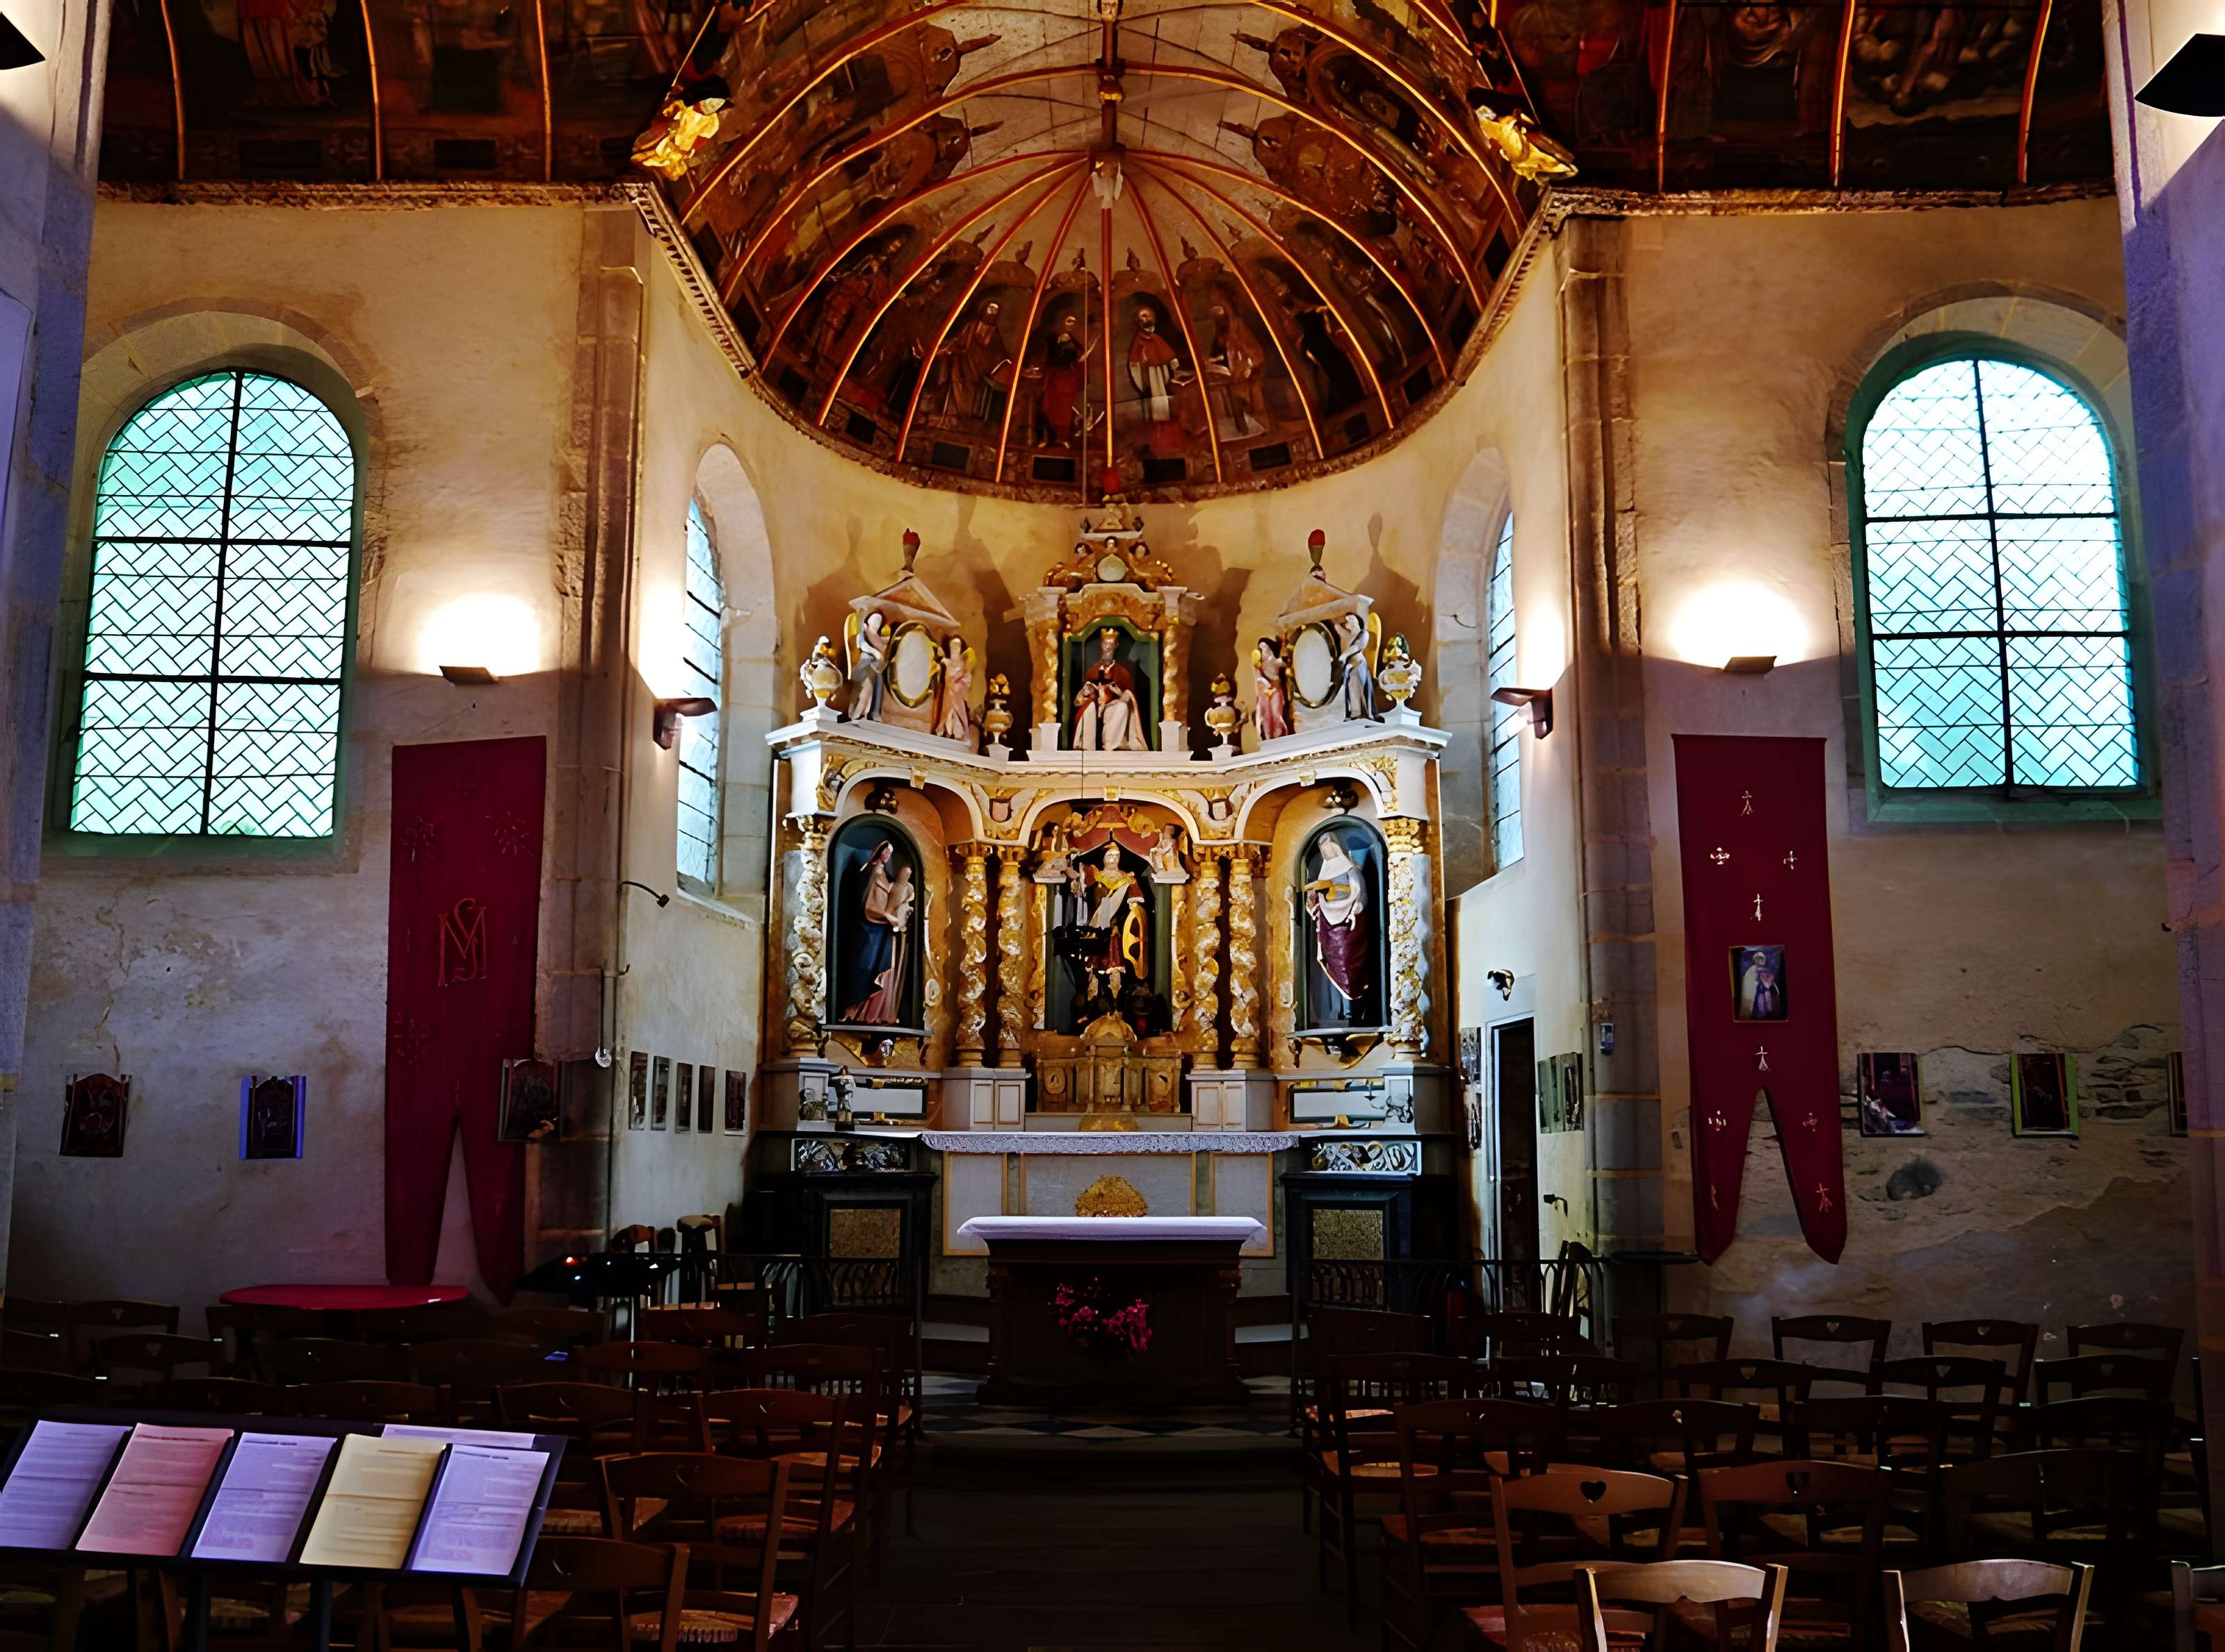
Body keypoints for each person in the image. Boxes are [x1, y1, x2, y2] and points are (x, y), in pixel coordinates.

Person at [839, 842, 914, 1023]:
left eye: (890, 853)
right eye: (886, 853)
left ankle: (876, 1015)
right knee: (865, 967)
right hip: (869, 932)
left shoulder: (882, 873)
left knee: (885, 969)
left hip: (882, 931)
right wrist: (888, 915)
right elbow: (870, 906)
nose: (887, 856)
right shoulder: (871, 873)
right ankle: (857, 1012)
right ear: (879, 853)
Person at [1306, 833, 1372, 1024]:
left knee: (1349, 968)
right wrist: (1314, 901)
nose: (1326, 852)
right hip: (1329, 930)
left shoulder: (1350, 870)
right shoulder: (1324, 873)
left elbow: (1359, 893)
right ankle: (1340, 1012)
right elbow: (1317, 904)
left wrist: (1355, 908)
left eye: (1329, 848)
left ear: (1336, 847)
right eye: (1323, 850)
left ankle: (1355, 1012)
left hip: (1348, 929)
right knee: (1332, 967)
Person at [1077, 627, 1149, 750]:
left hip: (1112, 708)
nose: (1108, 648)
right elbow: (1085, 692)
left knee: (1122, 707)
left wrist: (1119, 692)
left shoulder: (1123, 672)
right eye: (1106, 644)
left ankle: (1109, 744)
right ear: (1101, 645)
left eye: (1111, 644)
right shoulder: (1093, 671)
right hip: (1096, 706)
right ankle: (1087, 745)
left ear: (1116, 645)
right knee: (1088, 709)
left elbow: (1129, 697)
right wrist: (1091, 692)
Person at [847, 610, 890, 722]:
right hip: (866, 664)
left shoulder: (880, 638)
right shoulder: (864, 633)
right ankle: (858, 713)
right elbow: (863, 646)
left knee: (879, 689)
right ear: (869, 621)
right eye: (875, 619)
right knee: (867, 687)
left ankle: (873, 713)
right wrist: (877, 653)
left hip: (877, 667)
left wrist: (886, 644)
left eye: (879, 620)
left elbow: (885, 651)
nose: (877, 622)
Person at [933, 635, 975, 744]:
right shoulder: (948, 662)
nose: (954, 649)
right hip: (948, 694)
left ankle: (962, 734)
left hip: (957, 695)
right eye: (952, 646)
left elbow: (967, 679)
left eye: (957, 646)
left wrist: (958, 685)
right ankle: (944, 731)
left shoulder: (964, 664)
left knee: (959, 712)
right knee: (945, 712)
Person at [1337, 612, 1377, 720]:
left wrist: (1344, 655)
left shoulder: (1364, 634)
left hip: (1359, 664)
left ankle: (1366, 713)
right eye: (1347, 620)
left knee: (1361, 688)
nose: (1348, 622)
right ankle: (1355, 713)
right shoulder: (1349, 636)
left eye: (1351, 619)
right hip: (1350, 667)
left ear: (1358, 621)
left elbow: (1357, 646)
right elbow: (1338, 630)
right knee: (1351, 689)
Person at [1253, 636, 1291, 740]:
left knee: (1276, 712)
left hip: (1275, 690)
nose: (1262, 649)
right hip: (1265, 692)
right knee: (1266, 715)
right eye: (1260, 647)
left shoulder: (1274, 660)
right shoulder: (1258, 665)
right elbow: (1258, 678)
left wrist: (1284, 643)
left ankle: (1280, 735)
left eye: (1264, 646)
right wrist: (1266, 685)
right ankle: (1268, 736)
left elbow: (1284, 662)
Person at [1736, 948, 1786, 1021]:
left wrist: (1769, 984)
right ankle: (1758, 1015)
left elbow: (1771, 979)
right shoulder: (1752, 969)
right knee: (1760, 1003)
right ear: (1756, 961)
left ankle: (1768, 1014)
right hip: (1758, 990)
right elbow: (1751, 980)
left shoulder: (1766, 970)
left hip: (1766, 989)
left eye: (1762, 960)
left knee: (1767, 1001)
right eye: (1759, 959)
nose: (1761, 961)